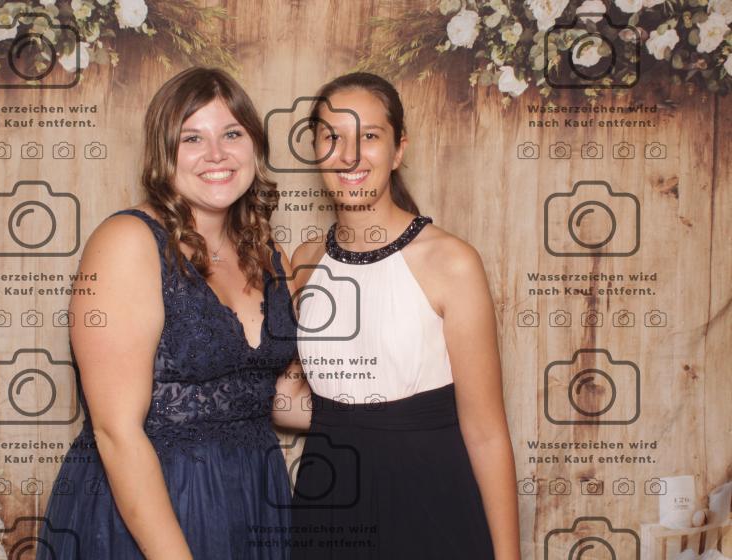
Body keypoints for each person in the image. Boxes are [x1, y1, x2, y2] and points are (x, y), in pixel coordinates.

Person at [36, 67, 300, 559]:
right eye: (192, 138)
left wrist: (392, 413)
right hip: (152, 510)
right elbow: (116, 432)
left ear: (255, 146)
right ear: (164, 152)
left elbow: (268, 396)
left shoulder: (267, 253)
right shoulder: (128, 242)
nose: (216, 154)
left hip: (251, 500)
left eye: (232, 134)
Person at [287, 72, 521, 559]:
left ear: (398, 151)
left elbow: (486, 433)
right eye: (333, 137)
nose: (350, 156)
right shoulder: (304, 261)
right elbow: (294, 399)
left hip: (429, 498)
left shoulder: (452, 262)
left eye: (369, 137)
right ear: (315, 149)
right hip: (328, 499)